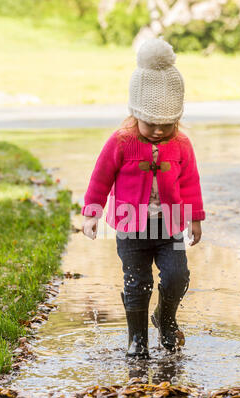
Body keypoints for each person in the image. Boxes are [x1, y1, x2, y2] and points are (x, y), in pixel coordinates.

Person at [82, 38, 205, 359]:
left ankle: (165, 319)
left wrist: (195, 218)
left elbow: (190, 182)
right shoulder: (121, 141)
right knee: (137, 282)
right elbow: (100, 177)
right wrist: (91, 212)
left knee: (178, 277)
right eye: (151, 123)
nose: (158, 131)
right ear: (135, 113)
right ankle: (137, 340)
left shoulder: (181, 144)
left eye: (167, 124)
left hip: (171, 228)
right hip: (130, 227)